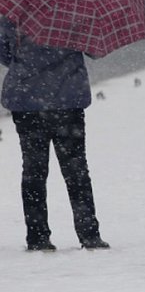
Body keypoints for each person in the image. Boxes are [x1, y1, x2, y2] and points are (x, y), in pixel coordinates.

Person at [0, 16, 109, 251]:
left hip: (27, 99)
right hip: (68, 100)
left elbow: (4, 52)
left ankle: (37, 236)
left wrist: (28, 65)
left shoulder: (12, 14)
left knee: (33, 170)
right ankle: (89, 234)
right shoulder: (77, 10)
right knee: (76, 169)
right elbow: (95, 49)